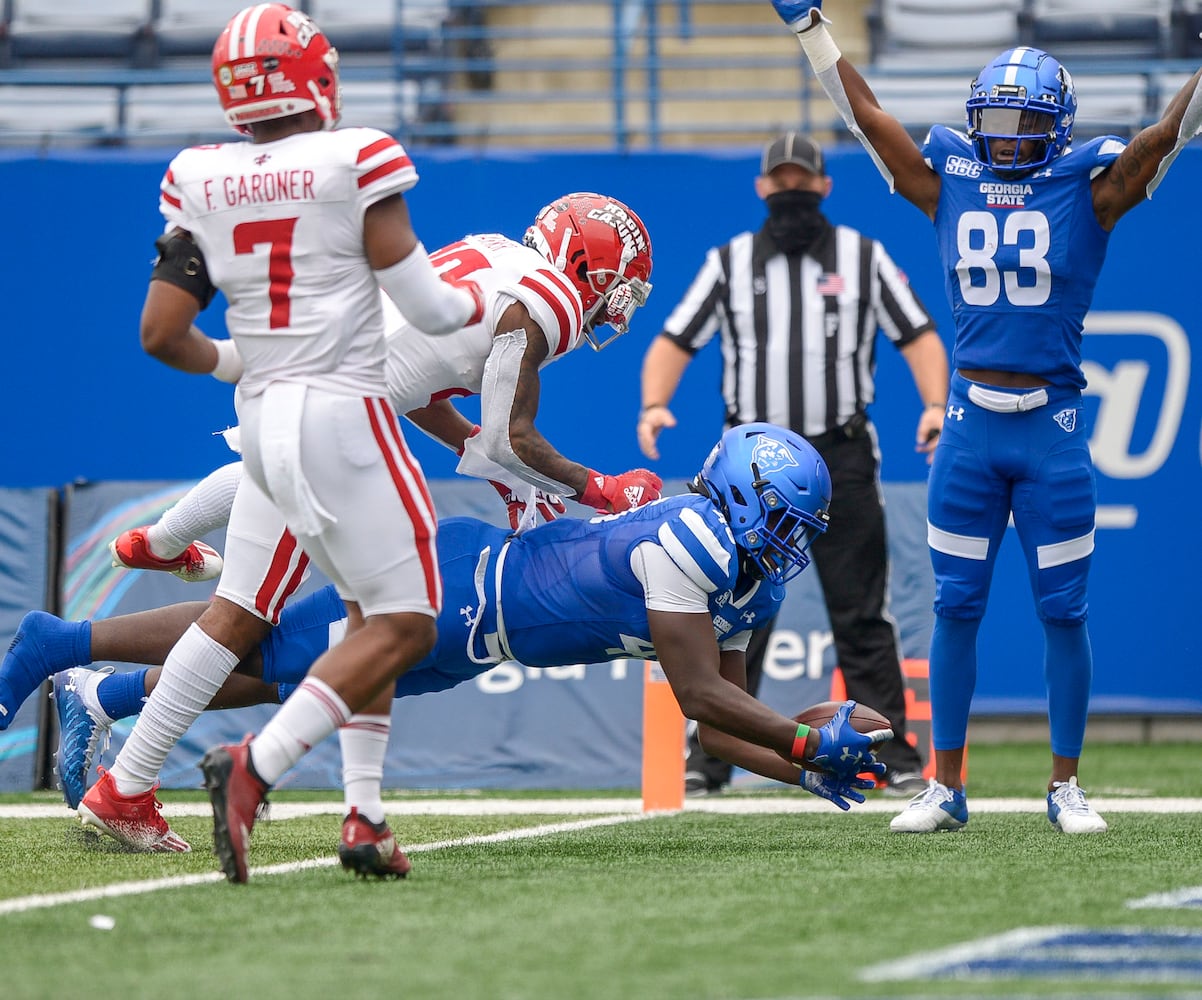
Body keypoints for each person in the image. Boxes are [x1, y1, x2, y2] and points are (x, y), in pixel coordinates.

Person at [66, 189, 664, 868]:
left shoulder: (494, 253)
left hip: (293, 388)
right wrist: (604, 488)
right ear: (587, 261)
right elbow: (509, 439)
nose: (617, 306)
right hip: (328, 425)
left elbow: (422, 382)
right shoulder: (552, 297)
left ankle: (348, 810)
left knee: (335, 616)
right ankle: (152, 784)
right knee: (287, 620)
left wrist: (497, 464)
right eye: (620, 286)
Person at [30, 425, 891, 876]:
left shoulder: (750, 579)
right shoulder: (693, 540)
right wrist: (806, 739)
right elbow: (700, 694)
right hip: (457, 588)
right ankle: (65, 645)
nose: (787, 547)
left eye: (797, 532)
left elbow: (719, 738)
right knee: (257, 639)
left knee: (276, 672)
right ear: (737, 499)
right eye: (777, 522)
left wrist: (801, 769)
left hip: (475, 642)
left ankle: (102, 697)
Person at [70, 2, 488, 864]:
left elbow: (160, 334)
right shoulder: (354, 157)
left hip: (261, 423)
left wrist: (242, 362)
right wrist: (478, 305)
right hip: (345, 416)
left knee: (340, 614)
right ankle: (256, 767)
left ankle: (359, 818)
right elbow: (432, 307)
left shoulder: (202, 176)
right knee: (406, 623)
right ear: (314, 75)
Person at [772, 0, 1202, 833]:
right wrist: (811, 30)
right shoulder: (950, 179)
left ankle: (1064, 784)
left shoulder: (1092, 188)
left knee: (1063, 611)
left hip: (1053, 428)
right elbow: (867, 118)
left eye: (1021, 123)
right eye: (993, 121)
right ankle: (946, 785)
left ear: (1056, 127)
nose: (1004, 138)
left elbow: (1165, 137)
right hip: (971, 428)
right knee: (956, 608)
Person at [637, 130, 948, 799]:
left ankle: (887, 751)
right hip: (749, 469)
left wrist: (934, 403)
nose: (790, 190)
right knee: (736, 610)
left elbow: (918, 332)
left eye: (801, 179)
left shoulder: (864, 258)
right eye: (779, 180)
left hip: (837, 455)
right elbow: (675, 336)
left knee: (861, 609)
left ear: (825, 185)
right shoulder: (731, 262)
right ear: (761, 188)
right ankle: (712, 756)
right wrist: (654, 403)